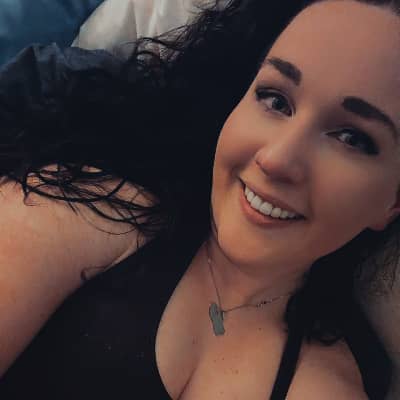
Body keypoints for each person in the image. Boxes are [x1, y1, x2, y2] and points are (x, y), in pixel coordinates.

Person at [0, 0, 398, 399]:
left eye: (352, 139)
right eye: (275, 100)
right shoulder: (92, 207)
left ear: (393, 203)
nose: (276, 159)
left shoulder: (330, 380)